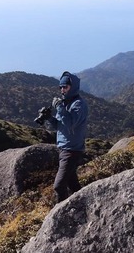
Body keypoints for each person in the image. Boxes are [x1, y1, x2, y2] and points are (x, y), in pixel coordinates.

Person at [44, 71, 89, 202]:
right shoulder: (65, 104)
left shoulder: (78, 104)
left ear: (73, 87)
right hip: (64, 149)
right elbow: (60, 126)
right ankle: (85, 205)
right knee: (73, 184)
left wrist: (59, 108)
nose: (62, 90)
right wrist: (49, 118)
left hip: (72, 151)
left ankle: (61, 214)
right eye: (61, 87)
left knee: (59, 186)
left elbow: (71, 124)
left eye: (65, 87)